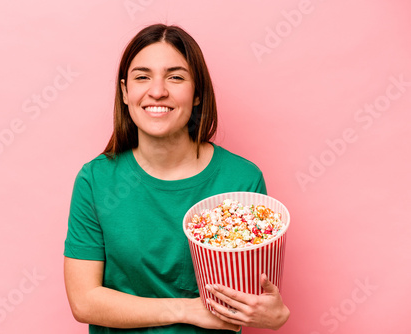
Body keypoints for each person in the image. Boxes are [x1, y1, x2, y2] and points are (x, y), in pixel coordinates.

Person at [63, 24, 290, 333]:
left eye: (176, 77)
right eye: (142, 77)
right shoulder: (95, 180)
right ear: (125, 91)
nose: (157, 91)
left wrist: (273, 313)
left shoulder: (241, 180)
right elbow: (84, 302)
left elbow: (250, 293)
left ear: (197, 94)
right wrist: (187, 310)